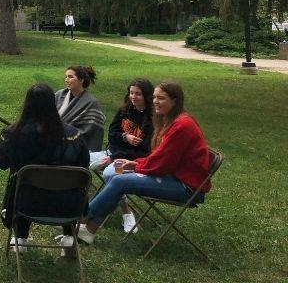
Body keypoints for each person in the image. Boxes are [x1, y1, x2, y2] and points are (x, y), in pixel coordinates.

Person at [77, 81, 212, 244]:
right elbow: (159, 157)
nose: (155, 101)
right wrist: (134, 163)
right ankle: (88, 231)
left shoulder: (181, 125)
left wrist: (136, 165)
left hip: (186, 186)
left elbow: (162, 164)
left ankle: (80, 220)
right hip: (172, 175)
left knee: (120, 180)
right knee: (116, 175)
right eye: (154, 97)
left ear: (175, 101)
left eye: (161, 98)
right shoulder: (170, 121)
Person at [0, 84, 89, 255]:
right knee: (68, 180)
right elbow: (84, 168)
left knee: (22, 180)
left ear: (27, 103)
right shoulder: (74, 136)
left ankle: (20, 237)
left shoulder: (12, 134)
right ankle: (69, 237)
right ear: (52, 103)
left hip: (25, 204)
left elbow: (2, 163)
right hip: (68, 206)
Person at [89, 78, 154, 233]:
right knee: (80, 160)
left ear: (147, 95)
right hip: (111, 153)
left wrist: (114, 158)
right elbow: (112, 134)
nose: (133, 97)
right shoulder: (125, 110)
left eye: (138, 94)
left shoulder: (152, 119)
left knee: (111, 173)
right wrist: (125, 137)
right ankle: (80, 204)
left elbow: (143, 150)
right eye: (131, 93)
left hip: (131, 161)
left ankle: (127, 212)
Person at [55, 66, 106, 151]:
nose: (66, 80)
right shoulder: (59, 95)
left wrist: (64, 133)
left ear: (81, 80)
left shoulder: (90, 102)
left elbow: (91, 131)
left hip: (74, 147)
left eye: (70, 77)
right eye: (66, 77)